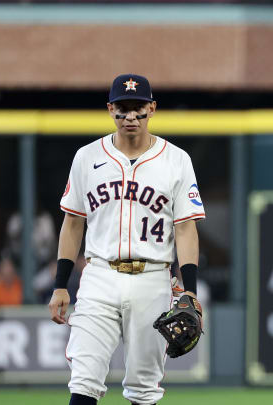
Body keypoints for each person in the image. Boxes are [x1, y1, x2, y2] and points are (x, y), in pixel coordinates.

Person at [48, 74, 205, 405]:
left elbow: (186, 228)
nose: (130, 116)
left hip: (152, 278)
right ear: (110, 109)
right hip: (99, 275)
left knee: (144, 388)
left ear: (152, 108)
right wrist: (61, 284)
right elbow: (73, 222)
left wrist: (189, 287)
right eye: (122, 108)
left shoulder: (176, 159)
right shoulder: (87, 157)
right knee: (84, 379)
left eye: (138, 108)